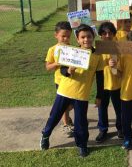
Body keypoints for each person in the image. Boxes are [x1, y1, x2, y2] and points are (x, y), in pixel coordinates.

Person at [40, 24, 104, 157]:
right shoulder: (71, 51)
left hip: (82, 94)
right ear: (78, 39)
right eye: (83, 37)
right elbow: (63, 70)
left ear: (93, 37)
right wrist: (69, 70)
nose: (86, 40)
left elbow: (100, 77)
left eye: (89, 36)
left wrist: (99, 96)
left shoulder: (97, 56)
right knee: (55, 116)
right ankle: (45, 134)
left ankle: (82, 145)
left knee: (81, 122)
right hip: (65, 91)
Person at [45, 21, 74, 137]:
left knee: (71, 105)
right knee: (64, 106)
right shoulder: (52, 50)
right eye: (63, 36)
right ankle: (66, 124)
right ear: (56, 35)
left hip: (72, 81)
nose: (66, 38)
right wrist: (58, 63)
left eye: (68, 36)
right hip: (60, 82)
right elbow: (48, 67)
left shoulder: (72, 48)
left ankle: (66, 116)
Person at [95, 22, 123, 143]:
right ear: (100, 35)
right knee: (102, 107)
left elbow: (121, 70)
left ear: (114, 34)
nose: (107, 35)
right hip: (103, 85)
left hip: (116, 84)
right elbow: (94, 66)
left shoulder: (118, 48)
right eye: (104, 33)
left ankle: (120, 128)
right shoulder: (97, 49)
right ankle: (103, 129)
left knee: (119, 108)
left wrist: (115, 67)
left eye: (110, 33)